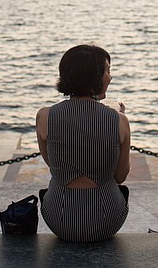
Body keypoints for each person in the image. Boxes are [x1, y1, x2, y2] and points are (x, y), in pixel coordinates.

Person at [36, 45, 131, 242]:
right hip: (106, 219)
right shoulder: (119, 121)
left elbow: (53, 165)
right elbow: (120, 177)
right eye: (107, 70)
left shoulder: (45, 116)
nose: (110, 77)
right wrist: (117, 117)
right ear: (94, 77)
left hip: (59, 219)